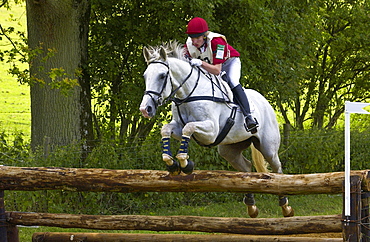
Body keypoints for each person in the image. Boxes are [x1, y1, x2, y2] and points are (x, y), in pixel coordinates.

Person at [184, 17, 258, 133]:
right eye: (192, 38)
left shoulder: (217, 42)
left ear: (204, 36)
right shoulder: (189, 45)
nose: (194, 42)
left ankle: (249, 117)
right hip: (211, 65)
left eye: (197, 38)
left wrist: (200, 63)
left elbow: (217, 70)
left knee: (233, 81)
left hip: (229, 63)